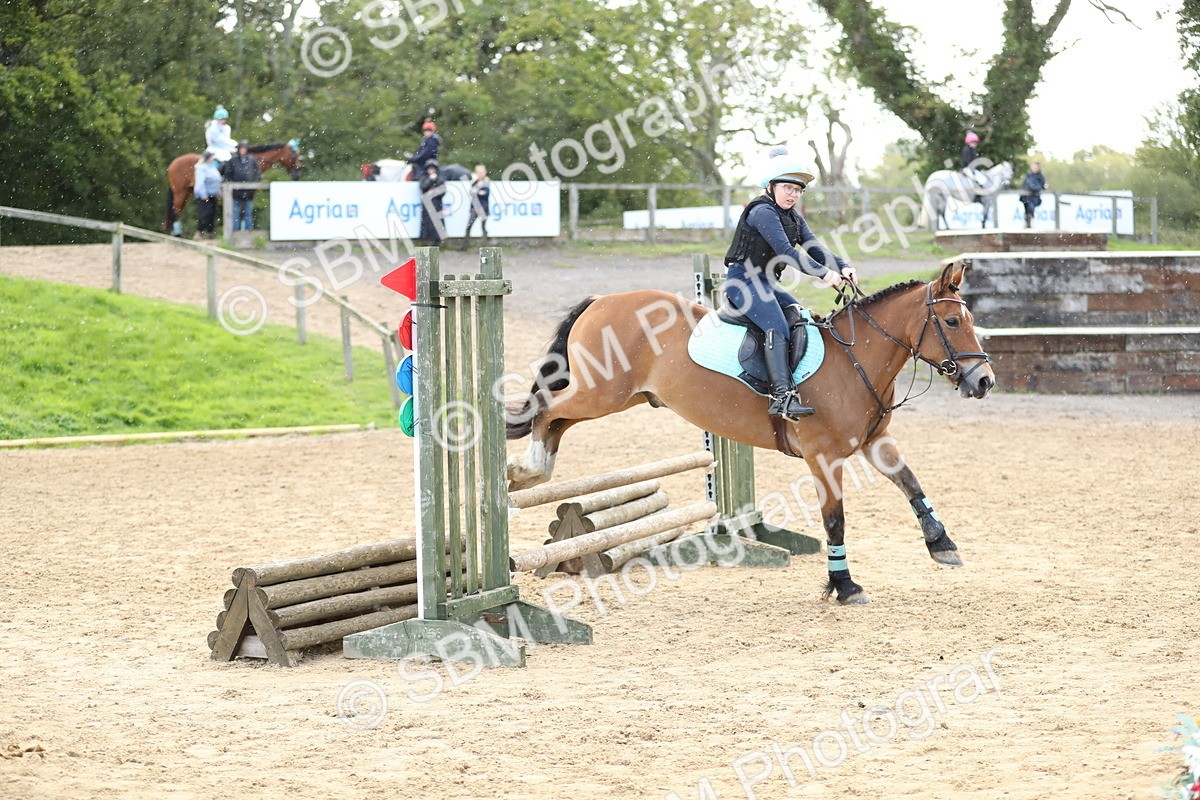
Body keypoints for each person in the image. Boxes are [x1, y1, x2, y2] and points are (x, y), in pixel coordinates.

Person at [723, 147, 857, 420]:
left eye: (798, 190)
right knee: (777, 325)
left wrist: (842, 266)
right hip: (743, 283)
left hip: (765, 283)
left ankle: (795, 380)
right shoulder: (762, 211)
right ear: (771, 187)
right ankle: (781, 398)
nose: (793, 194)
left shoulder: (794, 217)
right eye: (788, 188)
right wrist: (823, 274)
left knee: (797, 314)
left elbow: (813, 247)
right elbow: (786, 251)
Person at [223, 141, 262, 232]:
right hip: (236, 192)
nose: (243, 150)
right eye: (242, 148)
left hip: (249, 193)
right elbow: (228, 174)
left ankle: (248, 232)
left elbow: (257, 174)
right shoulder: (233, 160)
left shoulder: (252, 160)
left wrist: (253, 185)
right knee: (235, 213)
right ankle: (235, 232)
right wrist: (232, 184)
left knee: (248, 213)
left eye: (245, 149)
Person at [193, 150, 223, 239]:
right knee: (204, 214)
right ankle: (199, 232)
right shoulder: (201, 168)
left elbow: (217, 181)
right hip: (204, 196)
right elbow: (200, 183)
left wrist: (219, 192)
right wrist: (203, 194)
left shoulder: (212, 167)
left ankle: (210, 233)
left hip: (213, 195)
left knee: (211, 214)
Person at [418, 159, 446, 245]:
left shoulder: (440, 178)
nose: (431, 171)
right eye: (430, 169)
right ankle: (427, 240)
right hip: (427, 204)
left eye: (433, 169)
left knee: (437, 222)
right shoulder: (424, 177)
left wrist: (433, 192)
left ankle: (438, 240)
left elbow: (443, 190)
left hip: (437, 204)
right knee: (427, 222)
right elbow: (423, 187)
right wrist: (430, 180)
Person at [463, 164, 491, 246]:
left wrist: (477, 191)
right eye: (478, 172)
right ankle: (465, 245)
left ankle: (484, 245)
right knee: (469, 226)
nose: (480, 174)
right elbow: (472, 193)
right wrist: (478, 191)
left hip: (483, 207)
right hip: (475, 207)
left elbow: (485, 194)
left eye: (481, 172)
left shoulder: (486, 181)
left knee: (483, 227)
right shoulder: (475, 182)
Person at [1019, 161, 1047, 228]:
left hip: (1034, 197)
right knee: (1028, 209)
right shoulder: (1028, 175)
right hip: (1026, 197)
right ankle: (1028, 221)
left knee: (1030, 208)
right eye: (1033, 167)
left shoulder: (1040, 177)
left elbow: (1041, 186)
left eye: (1036, 167)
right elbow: (1025, 186)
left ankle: (1029, 221)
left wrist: (1035, 188)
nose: (1034, 169)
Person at [961, 131, 985, 200]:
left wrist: (979, 169)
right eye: (974, 142)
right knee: (973, 178)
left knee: (981, 178)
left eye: (975, 142)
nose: (975, 144)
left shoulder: (973, 150)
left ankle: (979, 194)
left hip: (972, 168)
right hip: (967, 168)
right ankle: (975, 194)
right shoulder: (967, 150)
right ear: (969, 142)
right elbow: (968, 161)